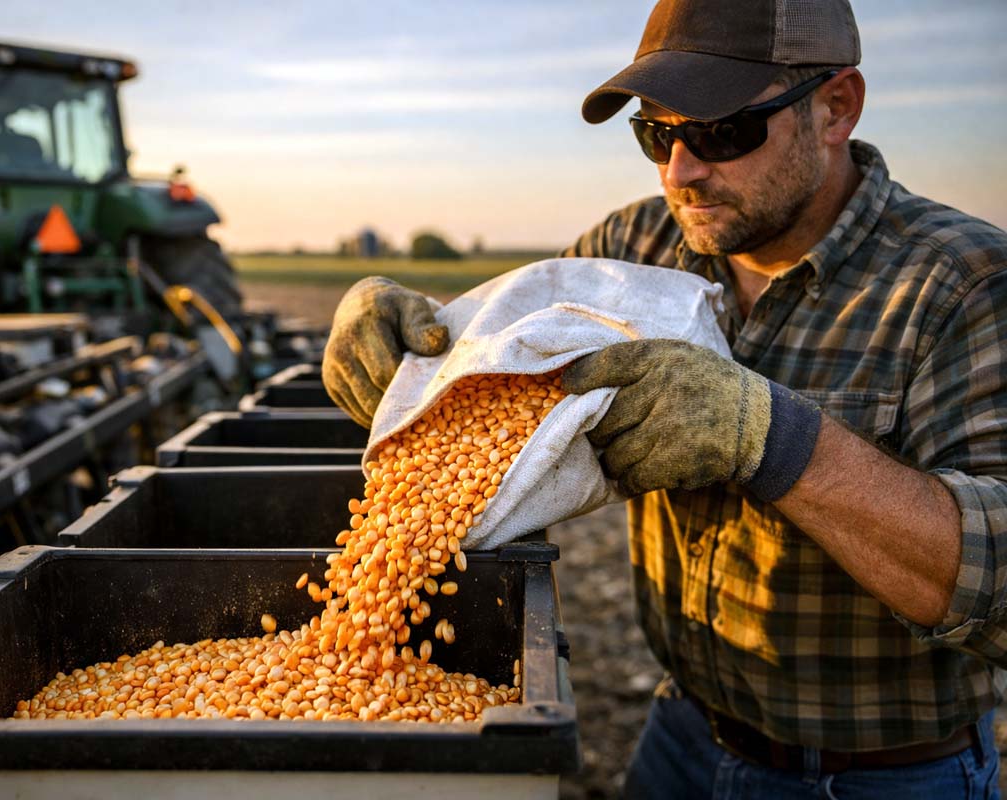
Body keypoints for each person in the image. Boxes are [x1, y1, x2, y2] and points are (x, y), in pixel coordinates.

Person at [321, 0, 1007, 797]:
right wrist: (390, 316)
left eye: (721, 132)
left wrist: (774, 440)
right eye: (656, 133)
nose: (679, 170)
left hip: (878, 778)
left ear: (835, 108)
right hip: (683, 735)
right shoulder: (635, 250)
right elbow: (494, 349)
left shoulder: (963, 283)